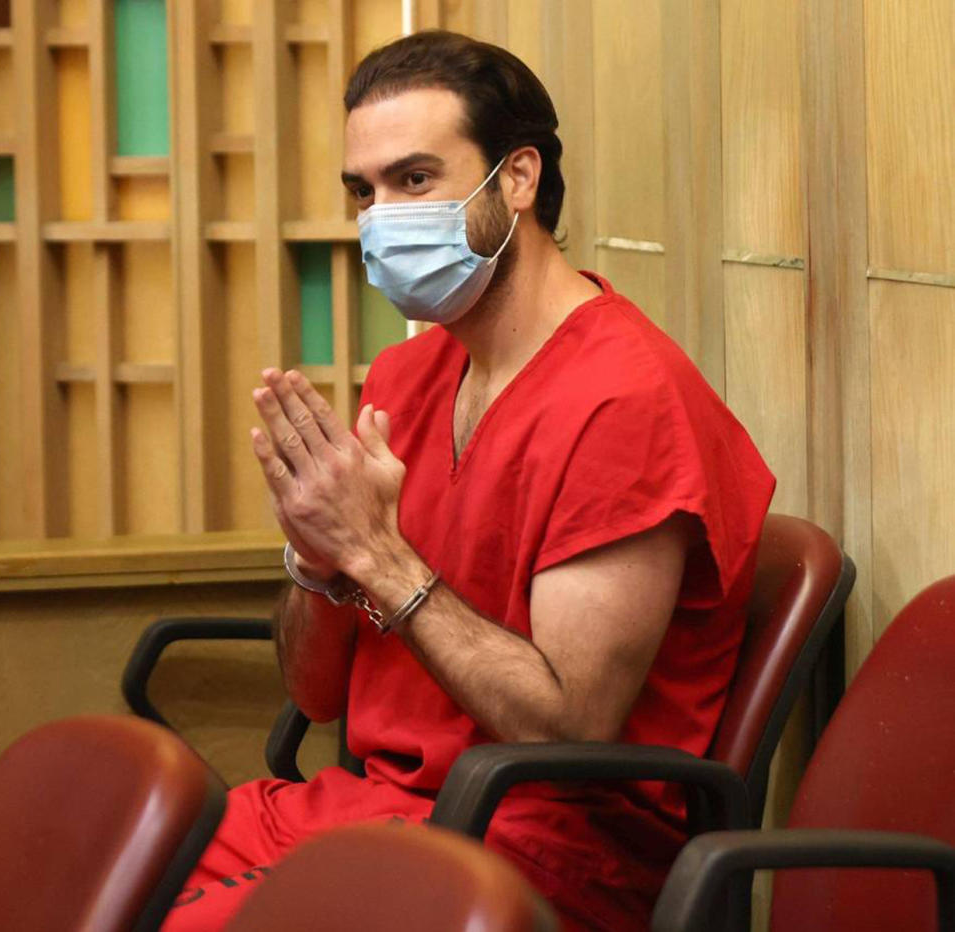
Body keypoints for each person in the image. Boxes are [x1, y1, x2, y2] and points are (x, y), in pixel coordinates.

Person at [161, 30, 775, 932]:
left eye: (414, 180)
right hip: (374, 807)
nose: (381, 217)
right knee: (89, 878)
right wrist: (315, 553)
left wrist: (376, 552)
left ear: (518, 179)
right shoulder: (405, 379)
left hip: (540, 847)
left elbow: (565, 731)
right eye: (362, 192)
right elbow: (315, 695)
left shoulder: (625, 401)